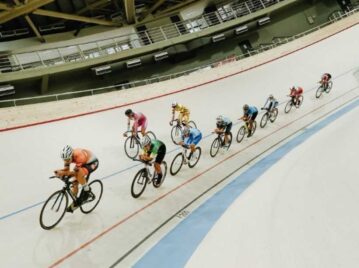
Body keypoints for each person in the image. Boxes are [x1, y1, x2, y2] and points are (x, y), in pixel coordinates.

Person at [55, 145, 99, 213]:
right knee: (74, 182)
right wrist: (60, 173)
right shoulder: (67, 157)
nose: (66, 161)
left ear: (71, 155)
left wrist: (62, 173)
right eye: (65, 160)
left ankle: (87, 190)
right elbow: (66, 170)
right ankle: (76, 201)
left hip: (92, 163)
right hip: (83, 163)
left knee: (79, 173)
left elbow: (75, 172)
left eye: (67, 159)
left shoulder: (79, 156)